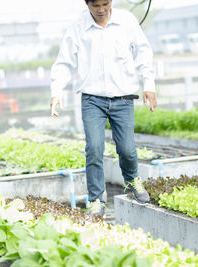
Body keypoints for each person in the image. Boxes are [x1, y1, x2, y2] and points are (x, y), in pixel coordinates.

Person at [50, 0, 157, 216]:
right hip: (92, 100)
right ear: (86, 4)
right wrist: (56, 91)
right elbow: (64, 62)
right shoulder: (78, 27)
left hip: (123, 98)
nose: (101, 9)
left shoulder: (126, 20)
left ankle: (131, 180)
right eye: (95, 5)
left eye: (105, 3)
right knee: (94, 149)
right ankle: (97, 200)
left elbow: (144, 52)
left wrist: (149, 85)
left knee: (127, 149)